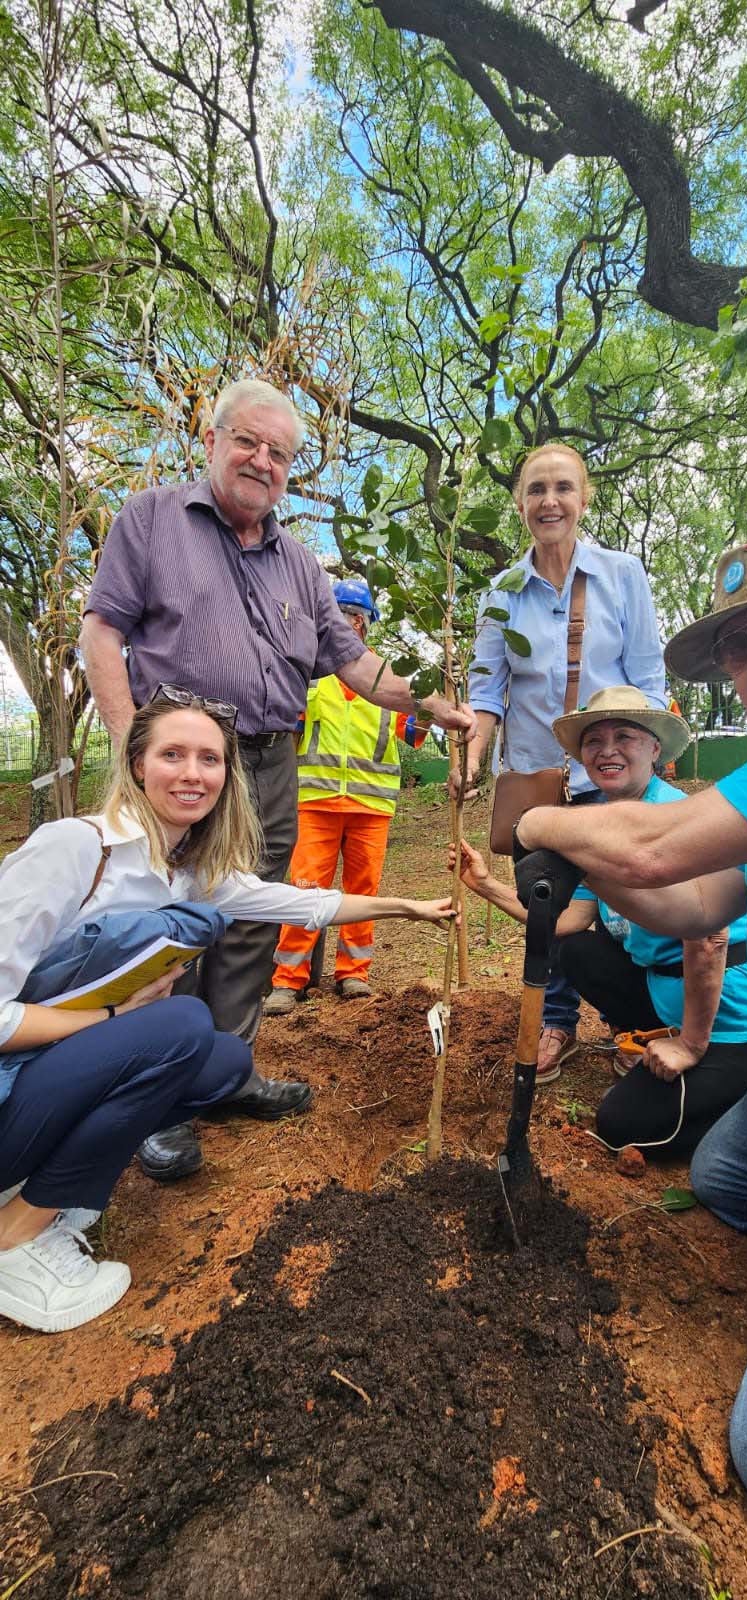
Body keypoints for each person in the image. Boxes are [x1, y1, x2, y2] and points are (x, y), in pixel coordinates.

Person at [511, 525, 747, 1558]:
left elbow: (657, 847)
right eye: (740, 641)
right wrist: (593, 862)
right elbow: (688, 904)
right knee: (723, 1176)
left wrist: (541, 827)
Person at [80, 377, 475, 1178]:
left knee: (251, 920)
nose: (263, 460)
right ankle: (158, 1098)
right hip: (183, 765)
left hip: (269, 762)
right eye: (248, 441)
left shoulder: (299, 564)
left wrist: (435, 701)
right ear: (212, 440)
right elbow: (101, 631)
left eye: (280, 453)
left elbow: (356, 664)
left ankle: (223, 1074)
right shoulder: (151, 519)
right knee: (172, 923)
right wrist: (131, 748)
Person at [0, 692, 457, 1334]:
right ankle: (15, 1236)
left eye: (209, 759)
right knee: (182, 1026)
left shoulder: (189, 870)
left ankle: (51, 1190)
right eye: (173, 755)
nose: (193, 773)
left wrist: (406, 908)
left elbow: (303, 905)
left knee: (222, 1063)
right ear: (136, 764)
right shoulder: (76, 848)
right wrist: (114, 1019)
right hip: (12, 1084)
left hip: (49, 1080)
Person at [453, 687, 747, 1153]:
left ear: (655, 749)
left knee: (622, 1124)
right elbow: (567, 921)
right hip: (665, 990)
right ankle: (654, 1039)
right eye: (594, 741)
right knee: (578, 951)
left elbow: (708, 937)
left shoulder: (677, 819)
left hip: (726, 1012)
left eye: (624, 736)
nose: (607, 751)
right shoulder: (599, 826)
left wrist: (690, 1044)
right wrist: (485, 885)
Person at [451, 443, 665, 1083]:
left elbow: (647, 679)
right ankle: (555, 1022)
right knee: (545, 900)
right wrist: (472, 757)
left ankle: (644, 1018)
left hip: (610, 774)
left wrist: (645, 765)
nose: (550, 501)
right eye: (536, 489)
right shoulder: (503, 592)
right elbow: (487, 689)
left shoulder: (622, 575)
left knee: (628, 901)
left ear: (584, 498)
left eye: (563, 488)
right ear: (519, 503)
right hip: (536, 780)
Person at [264, 579, 429, 1010]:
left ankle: (353, 973)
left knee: (363, 892)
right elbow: (288, 733)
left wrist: (437, 698)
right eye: (341, 615)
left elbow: (414, 733)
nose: (349, 623)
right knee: (305, 891)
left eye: (355, 616)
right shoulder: (309, 678)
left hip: (371, 806)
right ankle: (288, 980)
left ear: (365, 624)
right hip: (315, 803)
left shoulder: (387, 682)